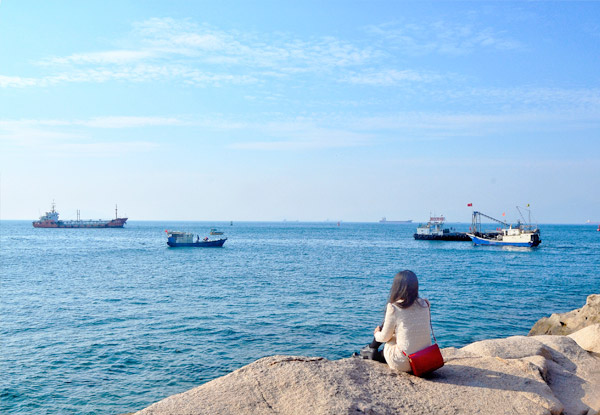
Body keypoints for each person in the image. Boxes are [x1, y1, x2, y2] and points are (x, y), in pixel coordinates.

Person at [359, 270, 433, 372]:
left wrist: (377, 333)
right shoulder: (425, 304)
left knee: (389, 336)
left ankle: (372, 351)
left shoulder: (395, 307)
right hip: (425, 358)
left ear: (397, 287)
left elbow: (385, 337)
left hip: (406, 363)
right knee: (396, 334)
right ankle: (371, 350)